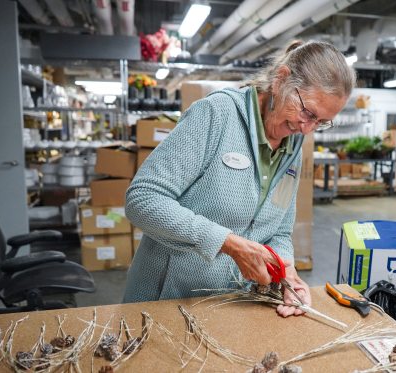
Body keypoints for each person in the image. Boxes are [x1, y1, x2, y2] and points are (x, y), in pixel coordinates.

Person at [123, 40, 355, 318]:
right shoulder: (217, 114)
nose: (307, 129)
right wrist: (229, 244)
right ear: (281, 80)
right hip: (165, 301)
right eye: (307, 112)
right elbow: (142, 199)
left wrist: (288, 272)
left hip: (227, 304)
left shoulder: (292, 142)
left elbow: (279, 229)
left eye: (321, 122)